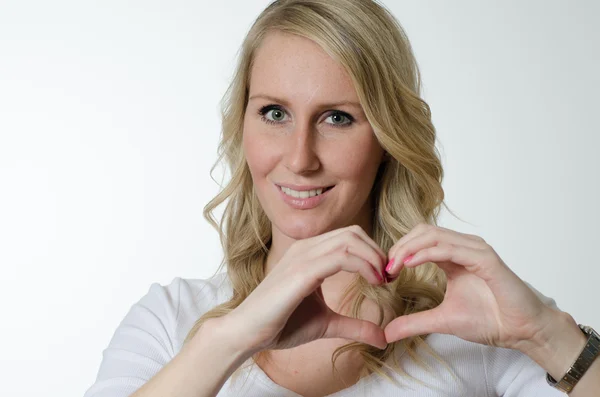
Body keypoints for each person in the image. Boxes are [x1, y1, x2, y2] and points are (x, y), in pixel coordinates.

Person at [83, 1, 599, 396]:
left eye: (338, 118)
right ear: (241, 125)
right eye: (274, 113)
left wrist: (545, 334)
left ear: (387, 139)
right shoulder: (171, 322)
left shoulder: (471, 325)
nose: (301, 157)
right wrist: (229, 338)